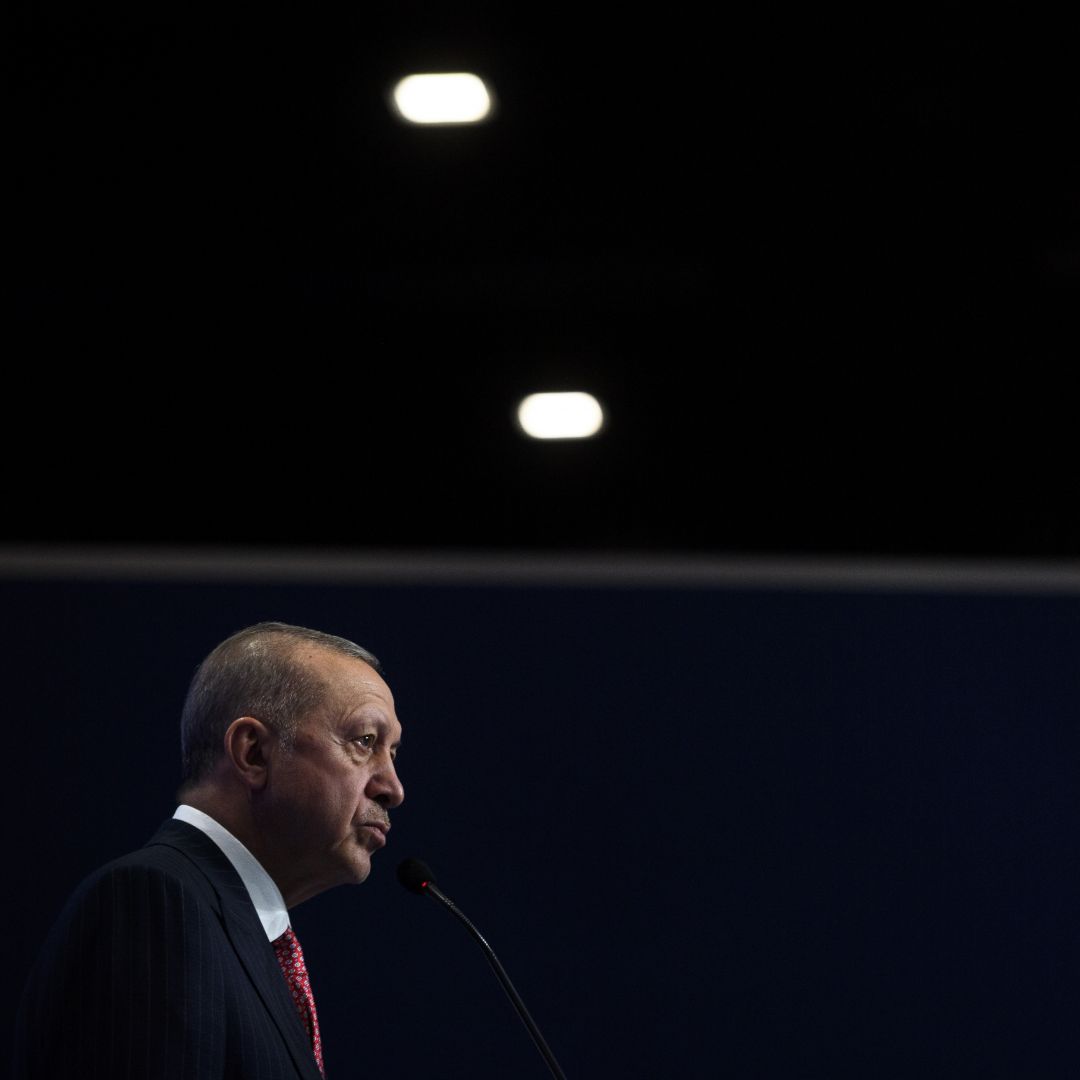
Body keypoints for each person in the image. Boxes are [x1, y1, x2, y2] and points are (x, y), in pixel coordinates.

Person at [13, 621, 405, 1080]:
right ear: (253, 753)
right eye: (365, 742)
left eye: (393, 753)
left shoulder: (244, 934)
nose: (392, 788)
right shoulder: (153, 905)